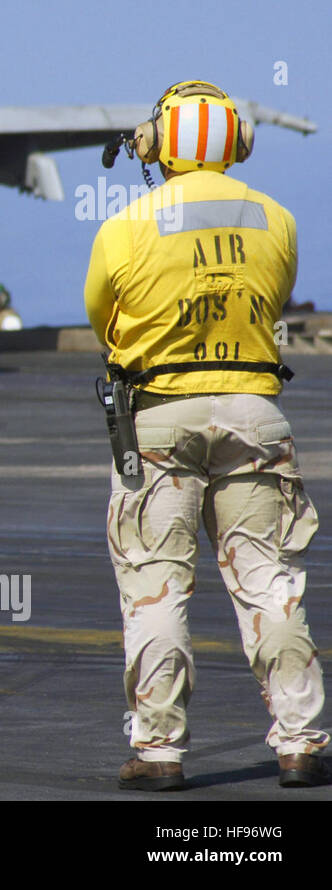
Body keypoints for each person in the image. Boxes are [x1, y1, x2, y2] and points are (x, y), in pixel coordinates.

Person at [84, 80, 327, 790]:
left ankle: (159, 753)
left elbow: (102, 313)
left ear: (159, 144)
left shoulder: (128, 225)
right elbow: (275, 296)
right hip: (254, 413)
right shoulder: (276, 220)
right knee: (267, 579)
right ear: (235, 144)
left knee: (157, 587)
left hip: (159, 417)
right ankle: (302, 742)